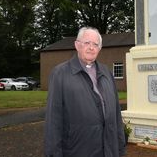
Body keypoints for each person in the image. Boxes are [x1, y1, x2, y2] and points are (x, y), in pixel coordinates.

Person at [45, 27, 126, 157]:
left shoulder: (107, 73)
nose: (91, 47)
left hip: (108, 151)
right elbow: (53, 121)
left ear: (99, 48)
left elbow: (116, 115)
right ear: (77, 45)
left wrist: (120, 149)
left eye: (95, 44)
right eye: (87, 43)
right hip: (78, 150)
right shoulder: (60, 74)